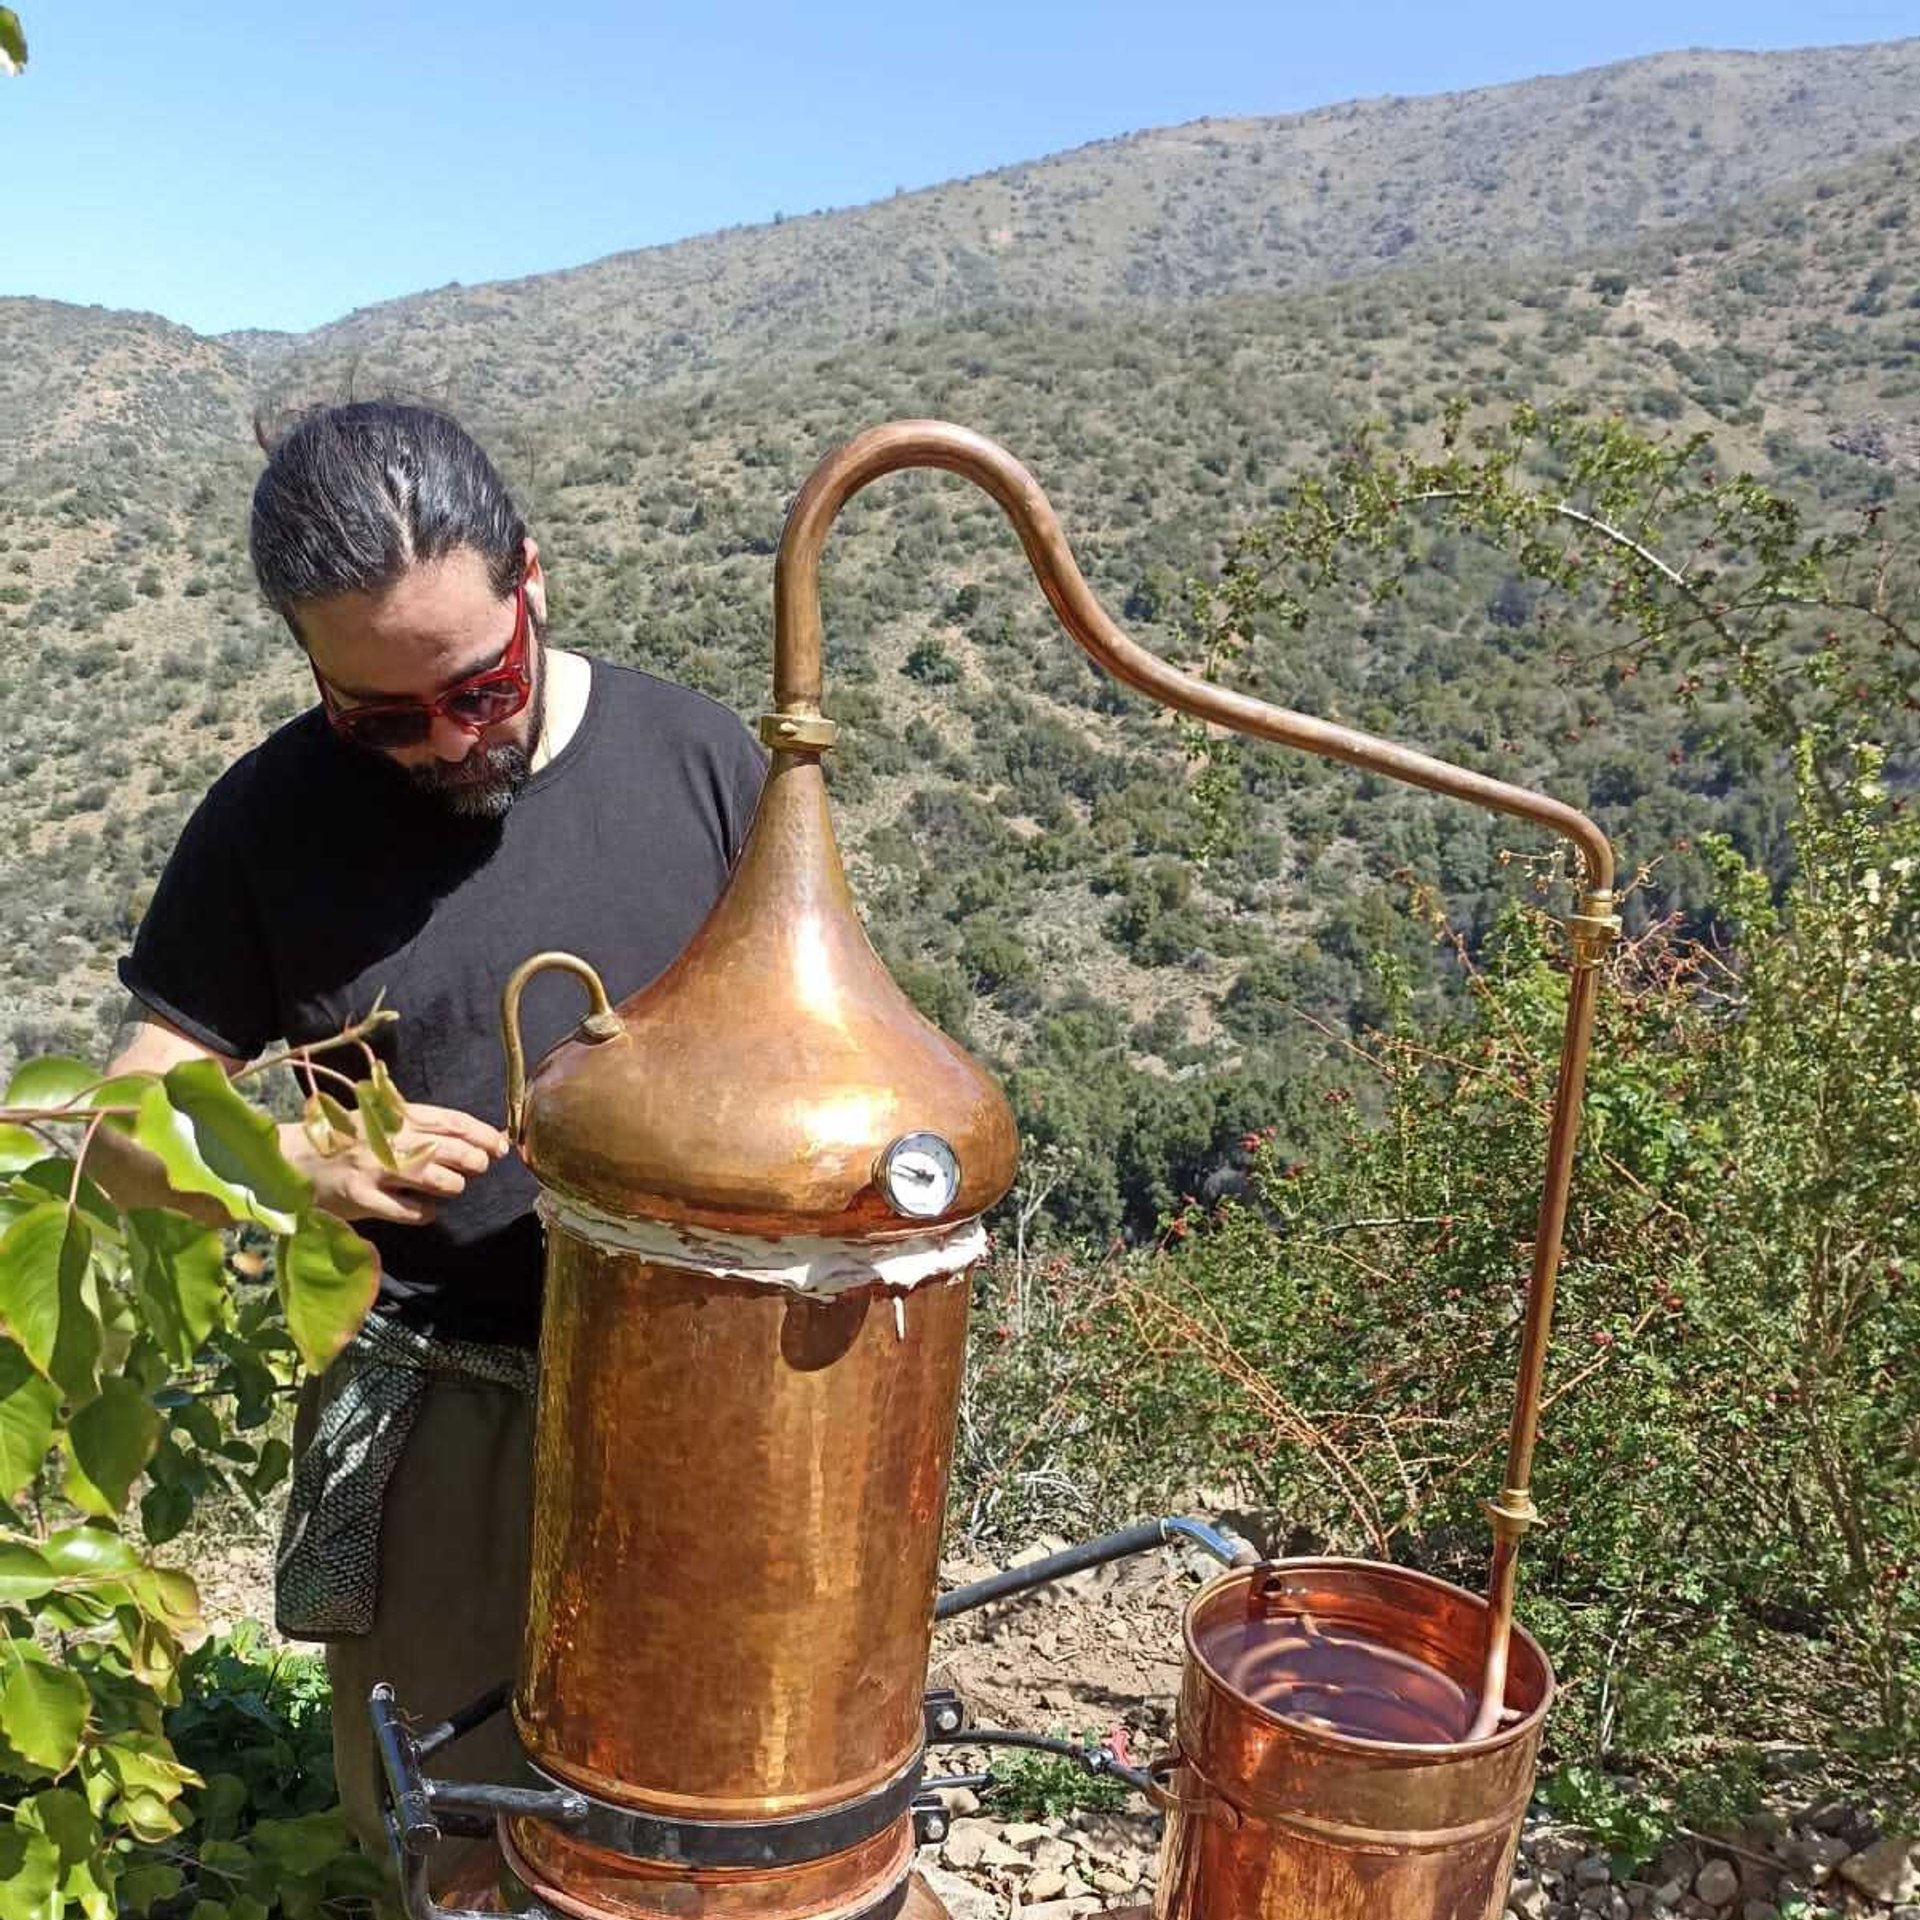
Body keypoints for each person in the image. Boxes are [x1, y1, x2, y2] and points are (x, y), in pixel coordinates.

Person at [95, 401, 767, 1872]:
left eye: (479, 686)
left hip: (707, 1401)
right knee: (461, 1838)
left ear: (537, 577)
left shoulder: (703, 760)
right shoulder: (271, 820)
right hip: (434, 1425)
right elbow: (101, 1130)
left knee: (712, 1815)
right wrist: (289, 1162)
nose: (447, 744)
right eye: (380, 716)